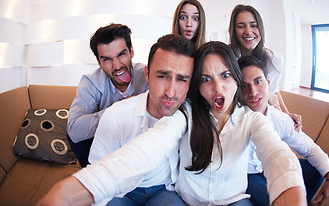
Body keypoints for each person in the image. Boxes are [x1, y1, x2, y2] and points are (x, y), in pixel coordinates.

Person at [36, 41, 306, 206]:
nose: (170, 91)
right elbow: (150, 146)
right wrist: (77, 189)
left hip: (207, 197)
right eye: (206, 79)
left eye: (225, 75)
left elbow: (275, 151)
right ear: (148, 74)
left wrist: (289, 187)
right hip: (146, 194)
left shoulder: (250, 119)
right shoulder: (182, 115)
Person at [87, 34, 194, 205]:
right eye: (162, 76)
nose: (171, 92)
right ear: (147, 74)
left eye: (182, 79)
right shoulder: (115, 116)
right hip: (121, 192)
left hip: (163, 190)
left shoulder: (191, 116)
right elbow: (96, 172)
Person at [238, 56, 329, 206]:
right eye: (245, 85)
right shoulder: (232, 117)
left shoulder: (280, 118)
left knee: (316, 169)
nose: (253, 92)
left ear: (268, 83)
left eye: (258, 81)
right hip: (248, 175)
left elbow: (308, 147)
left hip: (271, 166)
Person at [67, 23, 149, 167]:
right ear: (99, 62)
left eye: (121, 54)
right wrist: (119, 109)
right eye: (107, 59)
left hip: (140, 147)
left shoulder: (148, 75)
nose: (117, 66)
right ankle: (95, 180)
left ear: (131, 51)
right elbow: (74, 131)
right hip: (106, 151)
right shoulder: (90, 82)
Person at [228, 4, 301, 128]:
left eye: (253, 25)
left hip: (261, 118)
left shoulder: (274, 60)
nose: (248, 31)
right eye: (241, 26)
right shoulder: (227, 57)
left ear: (261, 28)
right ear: (234, 31)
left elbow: (274, 91)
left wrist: (286, 114)